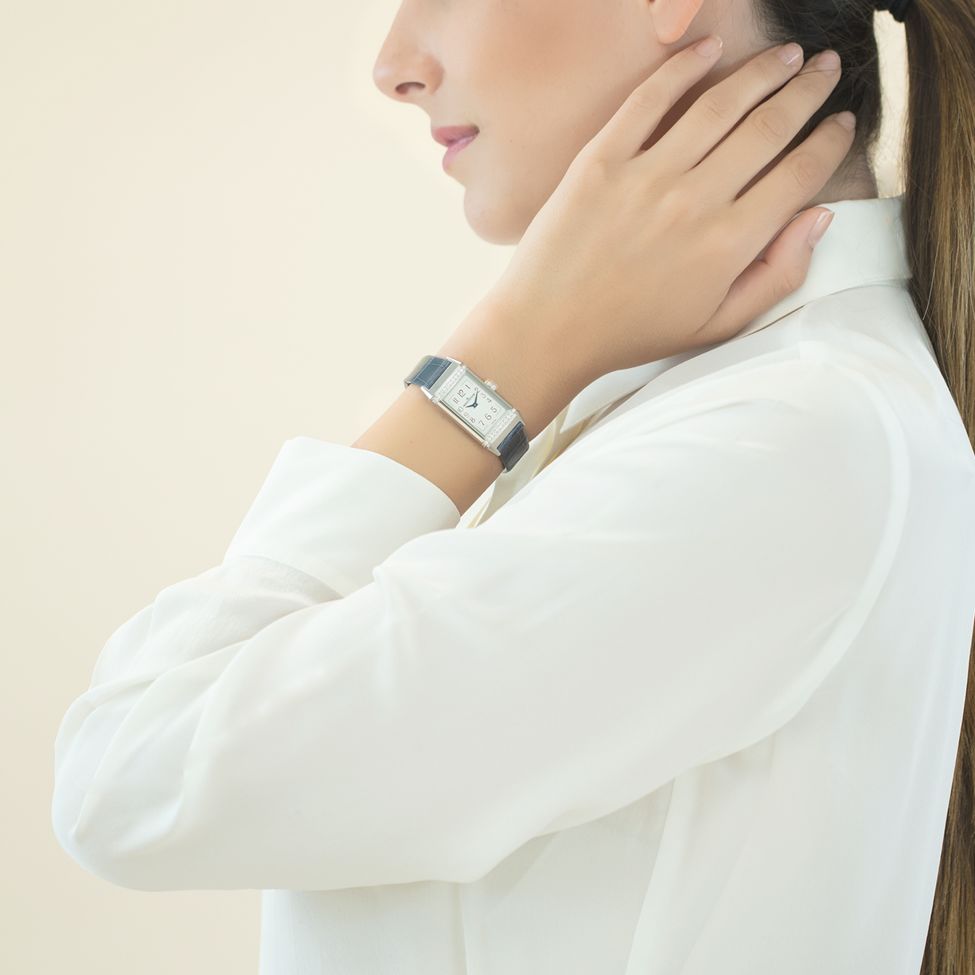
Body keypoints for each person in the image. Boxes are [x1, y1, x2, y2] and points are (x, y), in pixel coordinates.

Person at [52, 1, 975, 974]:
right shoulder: (748, 404)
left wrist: (506, 353)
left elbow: (130, 775)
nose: (393, 66)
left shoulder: (777, 440)